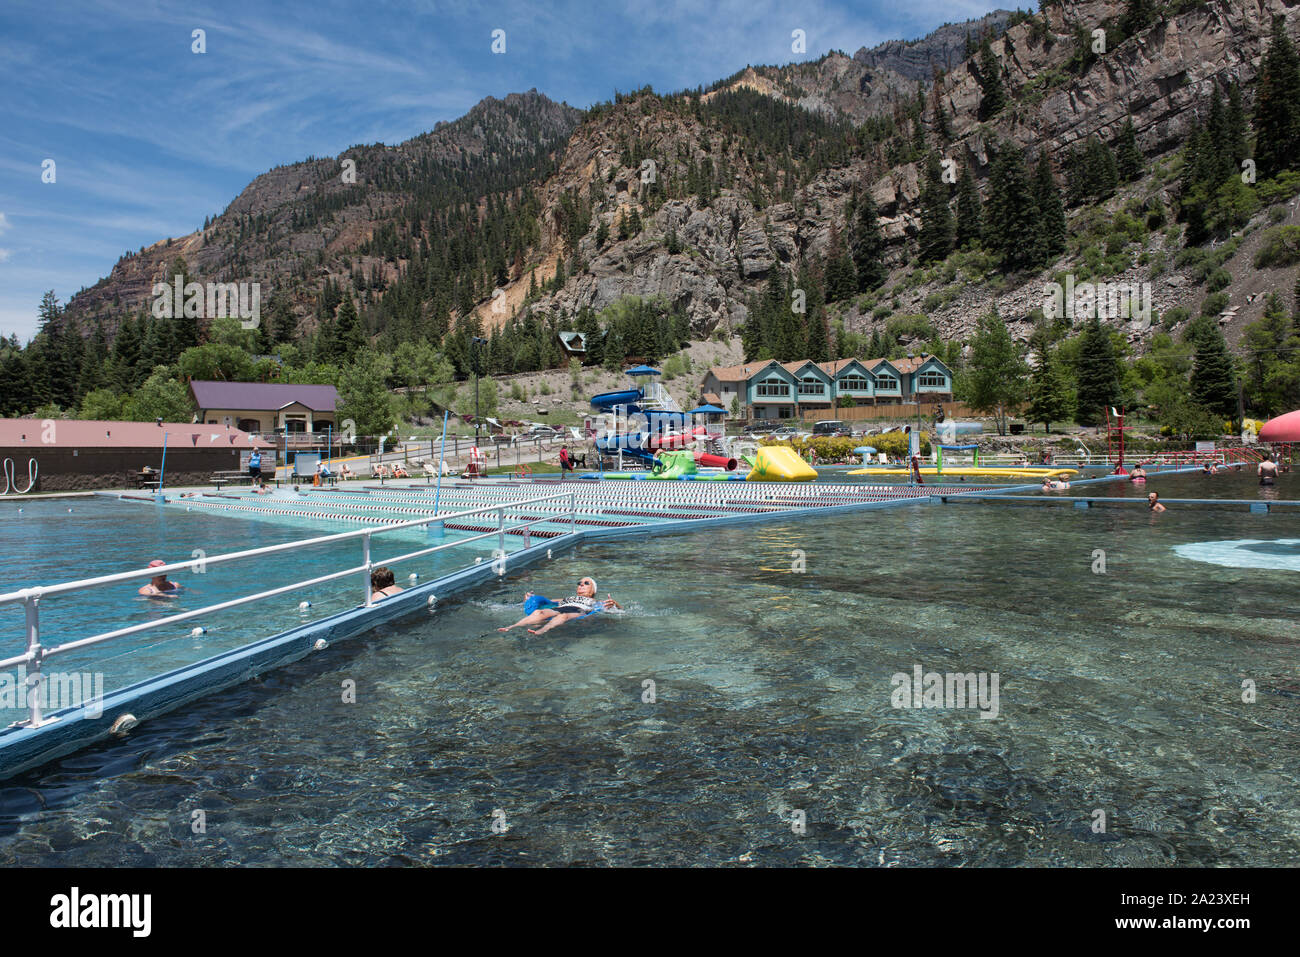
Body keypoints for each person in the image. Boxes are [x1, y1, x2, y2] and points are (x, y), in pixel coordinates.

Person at [498, 577, 621, 635]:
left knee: (563, 616)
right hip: (560, 607)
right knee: (538, 613)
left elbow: (618, 611)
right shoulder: (566, 598)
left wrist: (615, 604)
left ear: (593, 589)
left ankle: (541, 631)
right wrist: (528, 600)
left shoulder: (596, 601)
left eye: (586, 583)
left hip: (578, 610)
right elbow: (547, 602)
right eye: (579, 583)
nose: (581, 585)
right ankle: (511, 627)